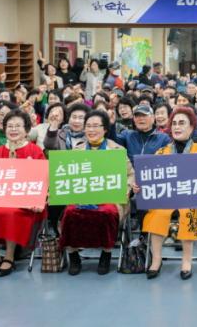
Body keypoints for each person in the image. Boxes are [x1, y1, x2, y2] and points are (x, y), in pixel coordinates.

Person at [138, 106, 197, 280]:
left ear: (191, 127)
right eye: (174, 123)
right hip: (167, 198)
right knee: (157, 214)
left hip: (191, 200)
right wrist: (140, 186)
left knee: (188, 213)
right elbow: (150, 178)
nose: (177, 127)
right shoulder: (162, 152)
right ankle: (156, 260)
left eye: (182, 123)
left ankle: (186, 261)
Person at [59, 110, 135, 276]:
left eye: (95, 126)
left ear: (105, 129)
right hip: (81, 198)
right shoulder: (76, 151)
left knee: (107, 212)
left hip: (110, 198)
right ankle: (73, 255)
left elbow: (130, 175)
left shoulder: (117, 150)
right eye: (88, 126)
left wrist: (127, 190)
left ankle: (106, 254)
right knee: (70, 212)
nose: (91, 130)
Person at [0, 110, 46, 277]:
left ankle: (9, 256)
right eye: (10, 126)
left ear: (26, 130)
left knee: (11, 212)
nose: (13, 129)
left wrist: (38, 200)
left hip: (25, 202)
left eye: (18, 126)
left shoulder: (35, 151)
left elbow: (42, 180)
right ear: (4, 129)